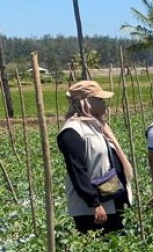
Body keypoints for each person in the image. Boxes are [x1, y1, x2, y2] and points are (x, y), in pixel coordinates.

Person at [57, 80, 133, 234]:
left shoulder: (97, 126)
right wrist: (95, 204)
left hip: (110, 198)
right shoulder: (72, 132)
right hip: (92, 209)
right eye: (99, 99)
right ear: (87, 102)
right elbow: (78, 171)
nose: (104, 103)